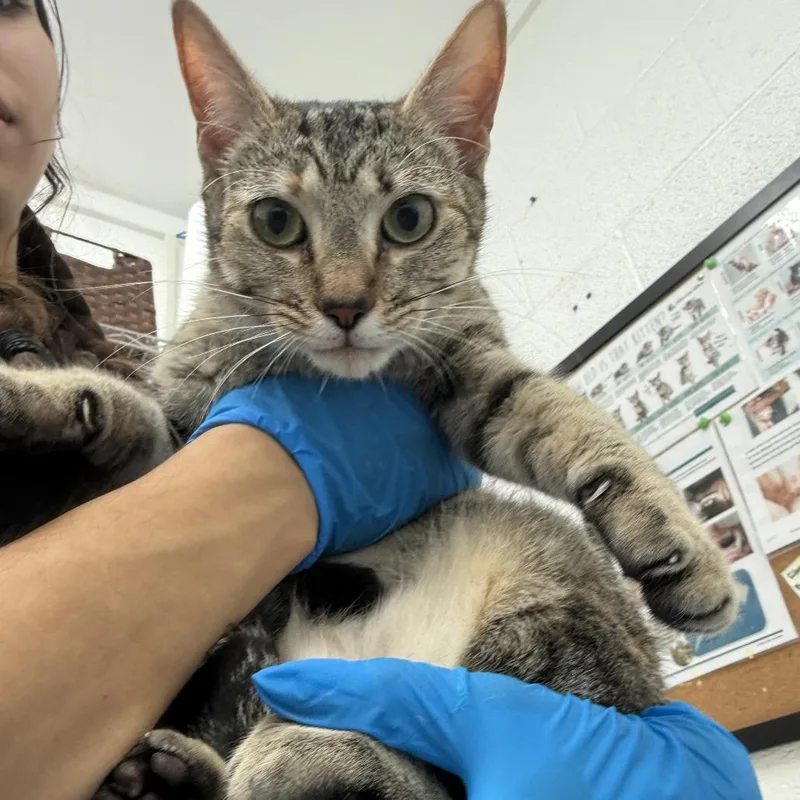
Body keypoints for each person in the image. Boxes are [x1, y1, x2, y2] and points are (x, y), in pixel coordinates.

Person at [0, 2, 761, 799]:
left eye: (406, 219)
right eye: (277, 221)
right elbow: (159, 468)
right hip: (261, 706)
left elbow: (499, 393)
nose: (344, 292)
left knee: (528, 544)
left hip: (425, 643)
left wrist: (616, 485)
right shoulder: (207, 336)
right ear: (216, 158)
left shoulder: (444, 321)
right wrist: (150, 438)